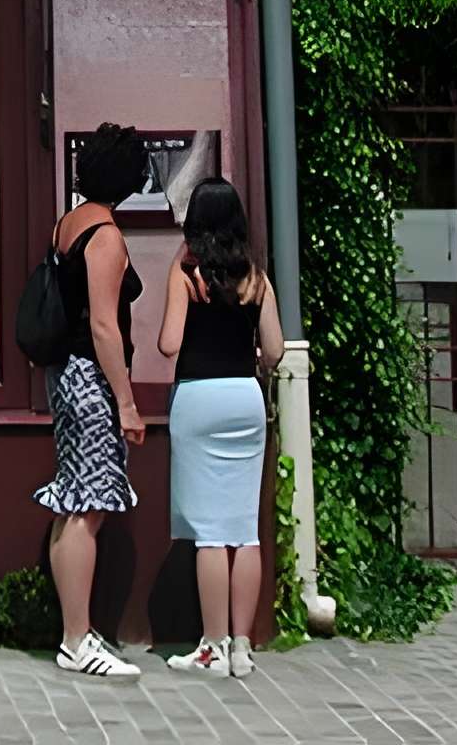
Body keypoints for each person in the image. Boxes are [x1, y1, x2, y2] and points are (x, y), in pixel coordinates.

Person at [155, 179, 285, 680]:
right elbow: (273, 352)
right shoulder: (257, 279)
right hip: (244, 400)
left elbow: (169, 344)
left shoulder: (187, 273)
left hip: (198, 399)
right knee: (243, 530)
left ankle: (210, 647)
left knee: (209, 533)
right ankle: (243, 648)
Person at [40, 121, 149, 679]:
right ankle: (79, 640)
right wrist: (126, 403)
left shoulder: (68, 224)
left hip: (63, 375)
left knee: (73, 504)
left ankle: (72, 635)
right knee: (89, 506)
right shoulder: (105, 235)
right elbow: (106, 328)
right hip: (91, 380)